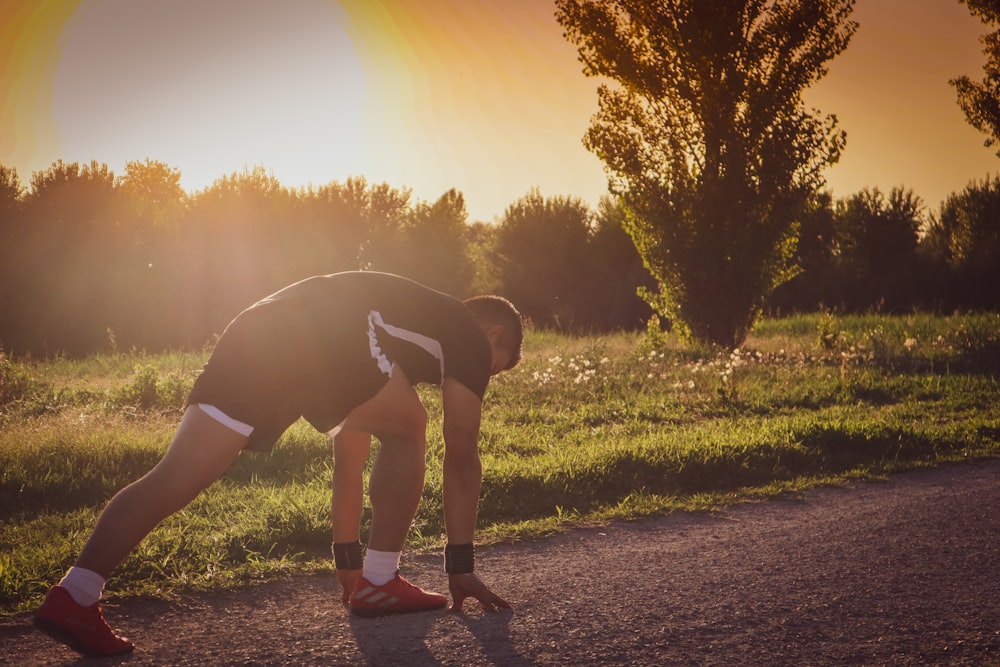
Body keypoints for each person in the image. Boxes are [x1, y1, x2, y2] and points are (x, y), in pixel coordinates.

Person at [34, 271, 523, 657]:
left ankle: (76, 593)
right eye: (493, 370)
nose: (477, 382)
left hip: (259, 326)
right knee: (411, 425)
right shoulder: (467, 338)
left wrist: (347, 558)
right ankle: (382, 580)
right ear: (492, 335)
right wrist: (460, 566)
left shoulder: (395, 340)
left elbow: (347, 456)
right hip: (325, 326)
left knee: (176, 475)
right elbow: (461, 454)